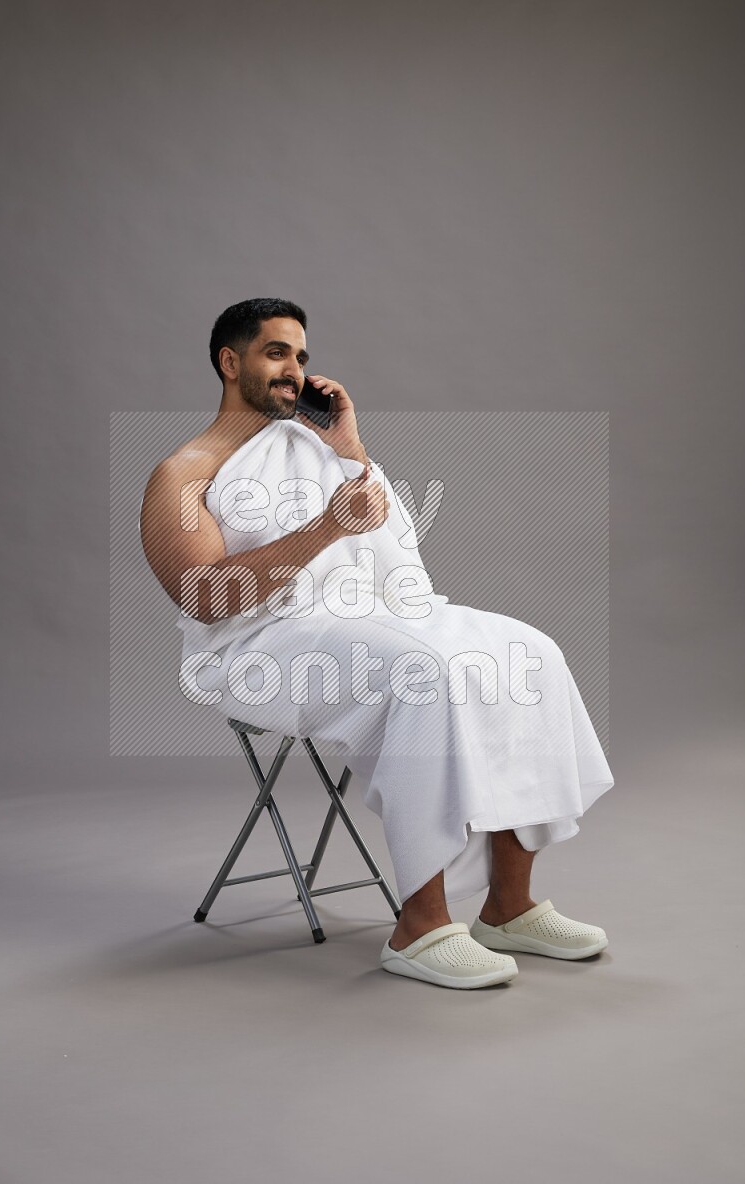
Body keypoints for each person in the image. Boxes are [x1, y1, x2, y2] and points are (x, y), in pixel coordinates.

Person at [139, 297, 615, 990]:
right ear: (229, 360)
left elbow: (393, 558)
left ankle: (508, 907)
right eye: (277, 353)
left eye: (301, 357)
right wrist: (328, 527)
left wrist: (350, 450)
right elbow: (208, 599)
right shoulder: (182, 474)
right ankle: (419, 925)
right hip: (260, 646)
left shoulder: (318, 447)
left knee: (529, 652)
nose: (295, 371)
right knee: (424, 672)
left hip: (363, 615)